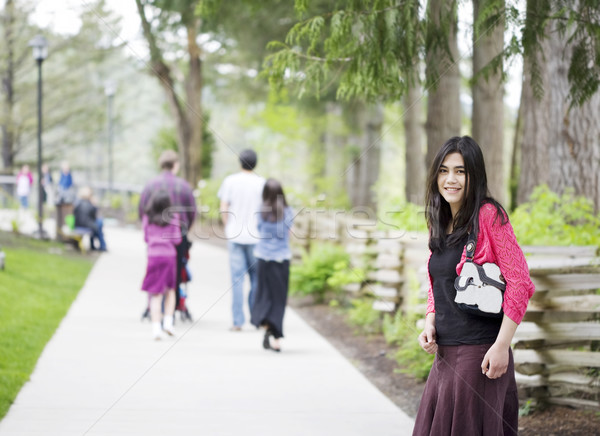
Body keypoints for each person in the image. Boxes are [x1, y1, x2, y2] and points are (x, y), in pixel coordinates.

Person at [413, 136, 535, 436]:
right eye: (443, 171)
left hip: (479, 353)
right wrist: (430, 322)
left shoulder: (489, 216)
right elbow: (438, 285)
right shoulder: (441, 221)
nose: (450, 179)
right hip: (445, 353)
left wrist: (501, 346)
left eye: (460, 171)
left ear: (474, 175)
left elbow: (520, 283)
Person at [138, 150, 197, 317]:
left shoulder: (150, 185)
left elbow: (142, 210)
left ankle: (153, 307)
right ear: (175, 165)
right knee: (176, 273)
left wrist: (148, 229)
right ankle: (173, 307)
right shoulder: (184, 186)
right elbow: (192, 212)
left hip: (155, 236)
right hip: (178, 236)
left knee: (154, 270)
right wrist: (184, 230)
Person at [218, 149, 265, 331]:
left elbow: (224, 208)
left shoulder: (230, 181)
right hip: (256, 237)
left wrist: (228, 226)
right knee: (256, 280)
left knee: (237, 280)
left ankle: (237, 321)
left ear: (240, 162)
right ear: (256, 163)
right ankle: (256, 318)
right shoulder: (262, 183)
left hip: (235, 236)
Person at [250, 179, 294, 352]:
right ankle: (276, 338)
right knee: (279, 299)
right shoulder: (288, 212)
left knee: (264, 295)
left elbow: (259, 229)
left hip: (262, 258)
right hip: (281, 259)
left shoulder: (261, 211)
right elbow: (287, 233)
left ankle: (266, 326)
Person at [141, 189, 182, 340]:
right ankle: (169, 323)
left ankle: (156, 328)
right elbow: (177, 239)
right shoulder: (173, 217)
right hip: (169, 256)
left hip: (153, 256)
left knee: (155, 293)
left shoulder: (148, 217)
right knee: (170, 291)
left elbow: (145, 237)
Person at [73, 186, 107, 251]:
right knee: (99, 224)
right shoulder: (89, 204)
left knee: (97, 225)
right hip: (86, 225)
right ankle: (102, 245)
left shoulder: (77, 203)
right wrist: (95, 205)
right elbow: (94, 216)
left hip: (78, 225)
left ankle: (95, 245)